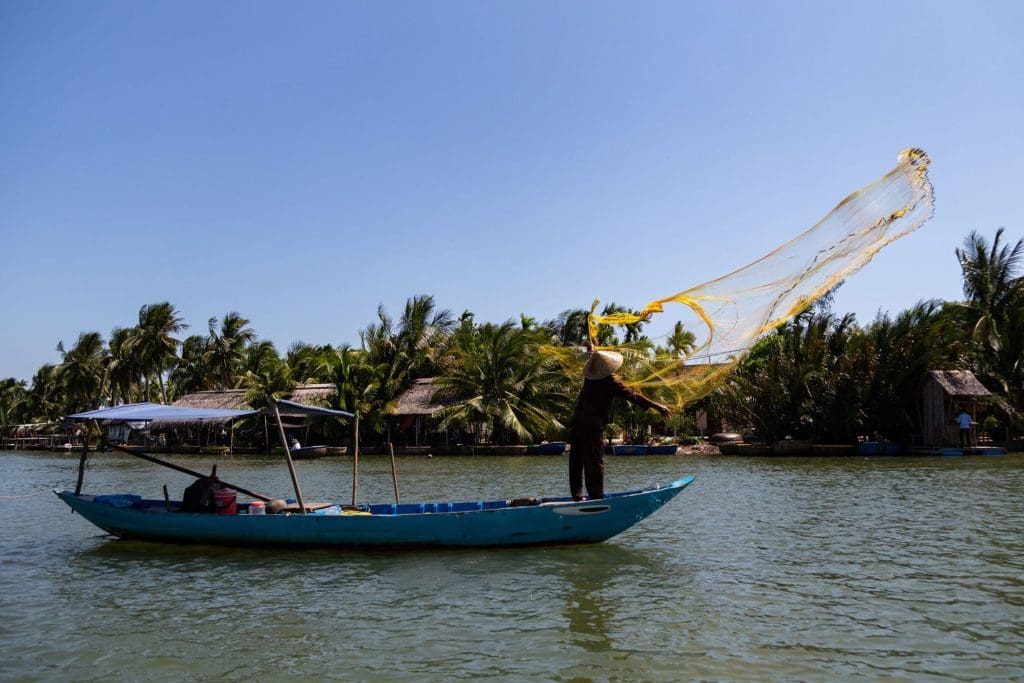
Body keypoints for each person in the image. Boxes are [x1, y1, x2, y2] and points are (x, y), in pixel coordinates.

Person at [569, 342, 671, 501]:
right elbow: (633, 395)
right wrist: (657, 406)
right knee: (595, 461)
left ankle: (577, 496)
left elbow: (592, 361)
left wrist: (592, 350)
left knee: (576, 459)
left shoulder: (589, 378)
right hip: (593, 425)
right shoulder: (610, 382)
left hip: (577, 422)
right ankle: (596, 498)